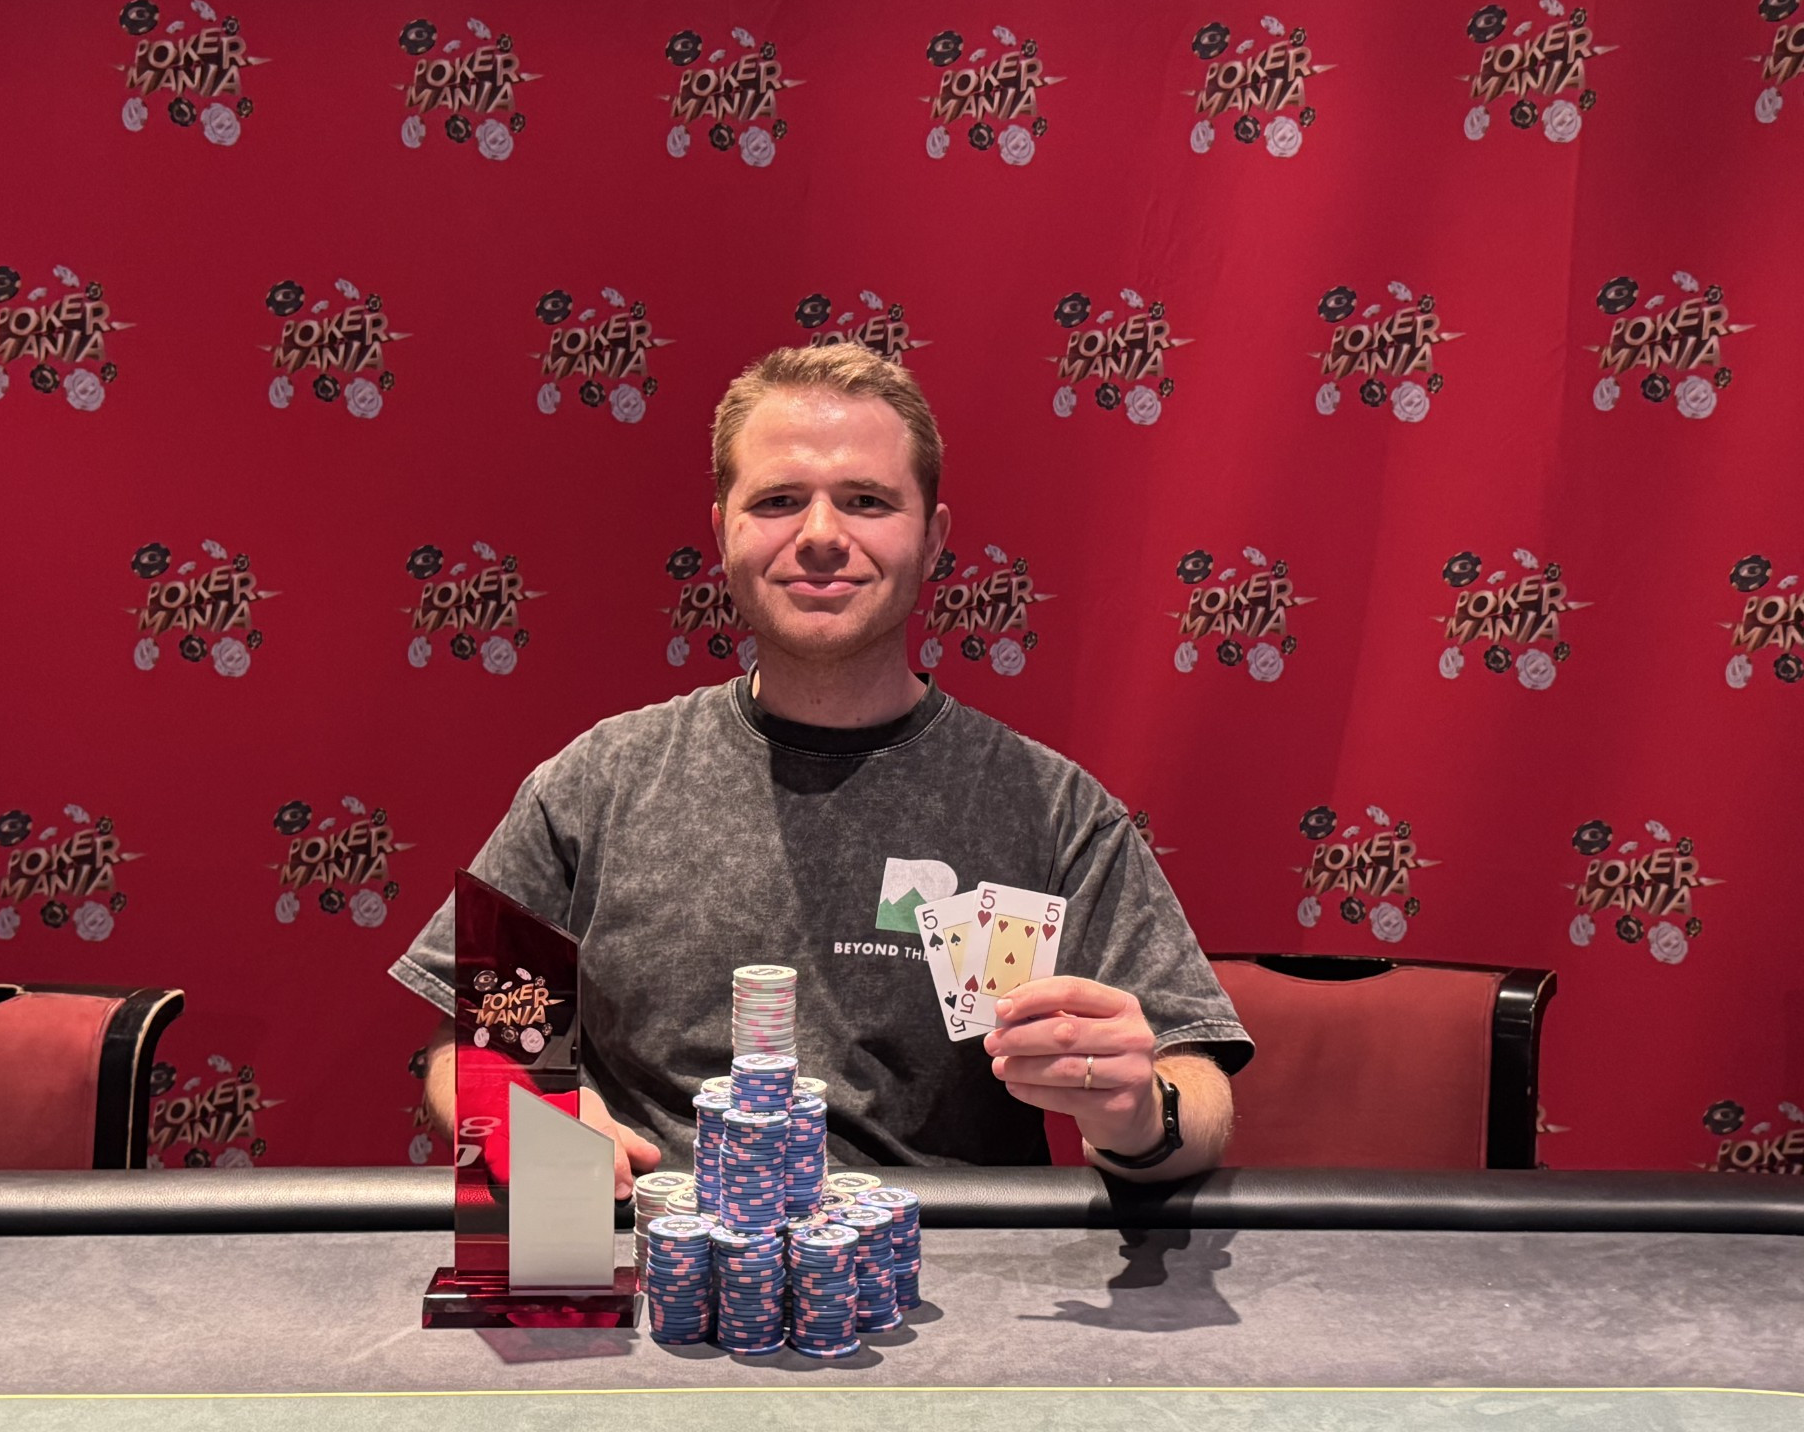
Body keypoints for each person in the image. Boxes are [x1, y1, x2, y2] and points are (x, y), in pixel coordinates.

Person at [390, 343, 1252, 1196]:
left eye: (867, 501)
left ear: (933, 538)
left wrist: (1143, 1113)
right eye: (778, 501)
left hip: (955, 1269)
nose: (822, 536)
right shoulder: (597, 784)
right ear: (722, 532)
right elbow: (468, 1043)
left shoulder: (1051, 809)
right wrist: (520, 1112)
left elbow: (1197, 1086)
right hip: (655, 1248)